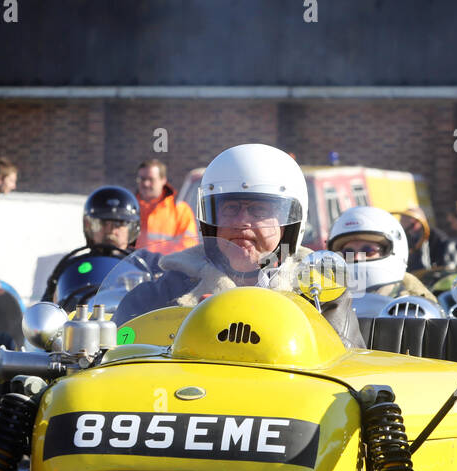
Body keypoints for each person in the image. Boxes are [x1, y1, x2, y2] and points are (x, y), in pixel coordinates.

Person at [116, 144, 363, 347]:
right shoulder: (168, 290)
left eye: (259, 210)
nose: (241, 223)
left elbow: (343, 371)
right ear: (209, 222)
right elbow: (117, 360)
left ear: (289, 225)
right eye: (230, 208)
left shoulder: (319, 293)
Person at [42, 186, 140, 303]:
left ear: (132, 228)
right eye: (102, 223)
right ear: (89, 227)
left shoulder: (144, 263)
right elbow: (47, 308)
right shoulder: (72, 266)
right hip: (80, 319)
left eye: (119, 224)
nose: (111, 231)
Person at [328, 206, 437, 302]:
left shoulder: (419, 304)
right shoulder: (327, 303)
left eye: (368, 251)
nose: (357, 257)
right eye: (347, 253)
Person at [134, 159, 199, 254]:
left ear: (163, 180)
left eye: (151, 179)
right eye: (142, 179)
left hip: (167, 267)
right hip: (132, 266)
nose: (146, 184)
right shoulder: (130, 208)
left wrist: (162, 262)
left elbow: (188, 246)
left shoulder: (180, 210)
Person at [395, 207, 434, 272]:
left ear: (414, 221)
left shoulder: (437, 240)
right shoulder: (405, 239)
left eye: (404, 220)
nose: (400, 222)